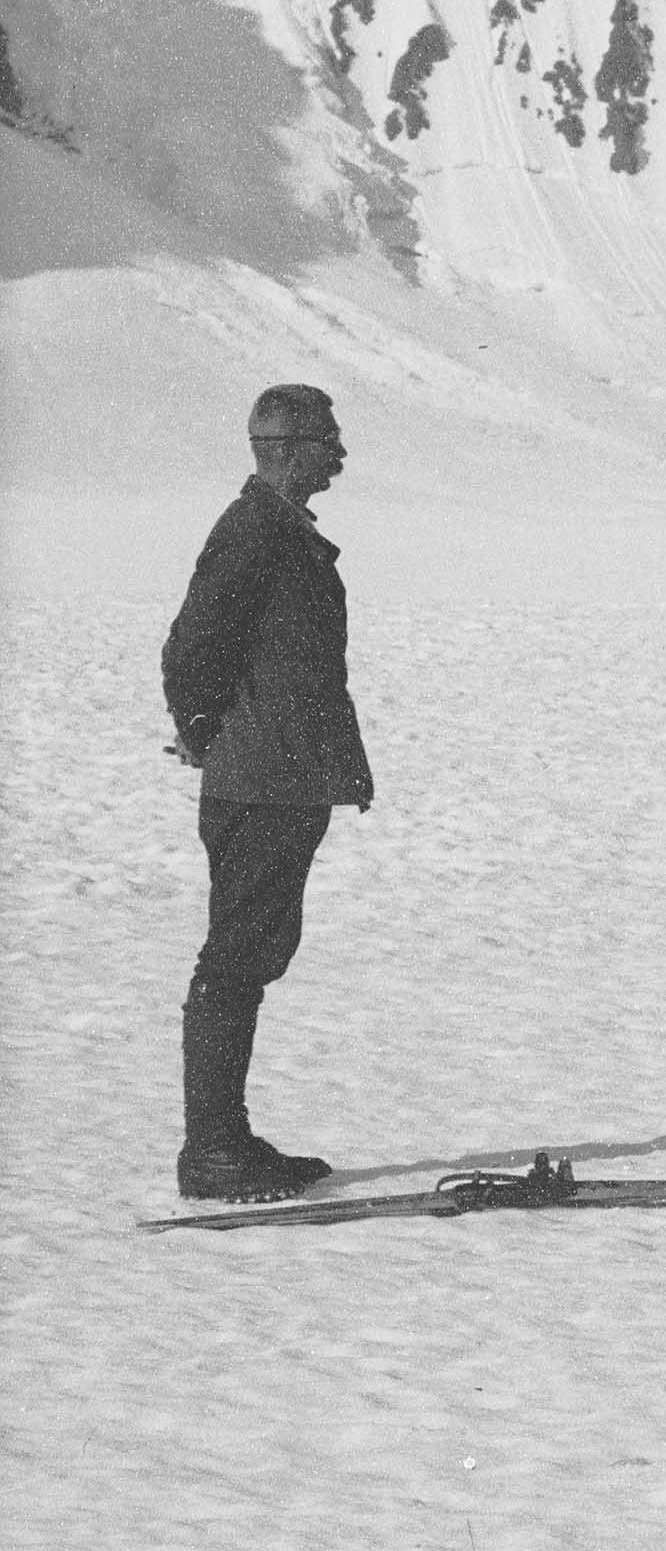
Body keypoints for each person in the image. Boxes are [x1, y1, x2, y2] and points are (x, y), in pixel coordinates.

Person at [160, 385, 374, 1202]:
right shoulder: (254, 531)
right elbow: (193, 643)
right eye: (327, 439)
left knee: (251, 950)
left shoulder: (275, 530)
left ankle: (226, 1139)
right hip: (265, 780)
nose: (340, 453)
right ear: (285, 448)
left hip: (278, 774)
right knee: (238, 953)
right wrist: (208, 728)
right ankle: (212, 1150)